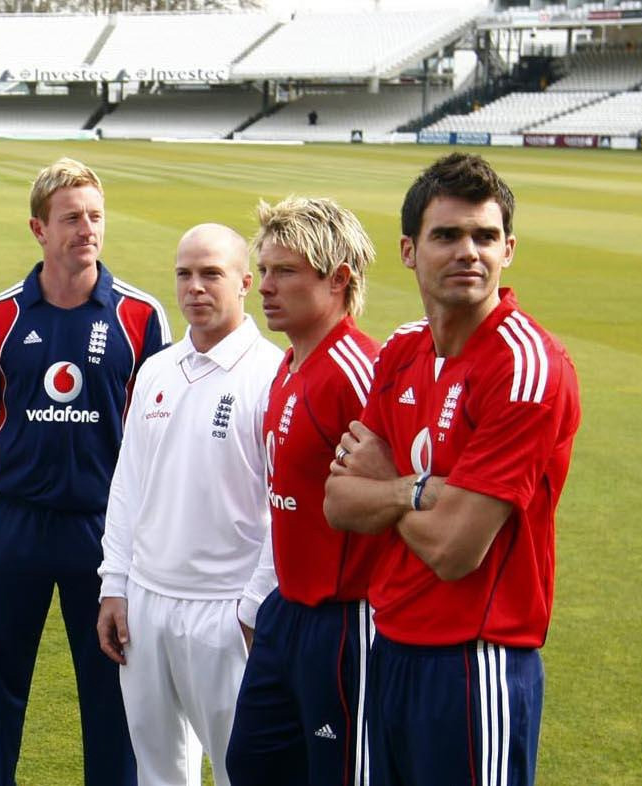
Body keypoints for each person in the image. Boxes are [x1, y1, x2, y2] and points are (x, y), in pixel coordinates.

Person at [324, 153, 581, 786]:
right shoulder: (404, 348)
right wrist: (413, 490)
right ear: (410, 250)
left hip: (477, 662)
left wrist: (384, 480)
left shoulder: (525, 369)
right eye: (447, 235)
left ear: (509, 250)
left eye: (485, 236)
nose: (469, 251)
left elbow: (453, 549)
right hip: (392, 645)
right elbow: (336, 502)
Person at [0, 157, 168, 786]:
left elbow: (154, 434)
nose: (86, 228)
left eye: (94, 216)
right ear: (39, 229)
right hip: (15, 526)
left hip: (102, 533)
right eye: (71, 217)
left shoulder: (141, 316)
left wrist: (139, 540)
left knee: (112, 697)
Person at [96, 224, 283, 786]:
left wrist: (252, 607)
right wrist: (114, 582)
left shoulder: (271, 374)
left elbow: (284, 508)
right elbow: (128, 484)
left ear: (246, 282)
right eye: (184, 274)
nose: (195, 287)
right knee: (157, 771)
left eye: (211, 274)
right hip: (148, 605)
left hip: (225, 609)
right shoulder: (156, 369)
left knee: (239, 770)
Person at [223, 197, 383, 786]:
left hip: (346, 621)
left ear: (337, 280)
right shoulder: (288, 366)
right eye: (263, 270)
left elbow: (397, 491)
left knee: (338, 773)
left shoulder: (359, 370)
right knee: (250, 763)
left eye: (284, 272)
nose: (264, 286)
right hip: (287, 611)